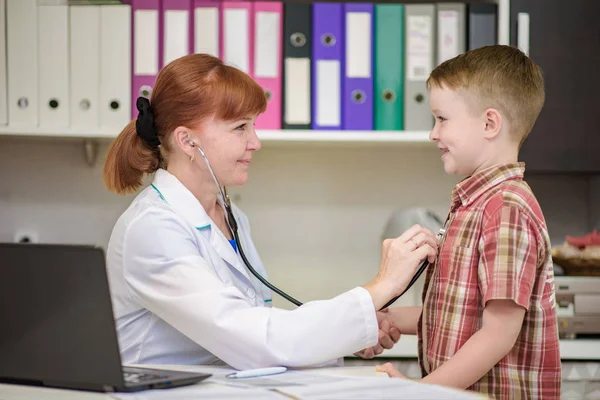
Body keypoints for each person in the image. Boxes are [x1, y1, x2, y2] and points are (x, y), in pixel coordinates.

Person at [102, 53, 437, 370]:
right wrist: (383, 285)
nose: (256, 142)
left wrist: (344, 334)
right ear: (188, 141)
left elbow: (255, 323)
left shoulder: (229, 216)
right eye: (240, 128)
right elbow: (255, 341)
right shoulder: (153, 229)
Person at [377, 45, 561, 399]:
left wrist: (418, 392)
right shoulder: (474, 206)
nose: (433, 133)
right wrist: (391, 320)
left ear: (490, 123)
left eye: (442, 119)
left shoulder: (505, 209)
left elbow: (497, 334)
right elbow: (460, 316)